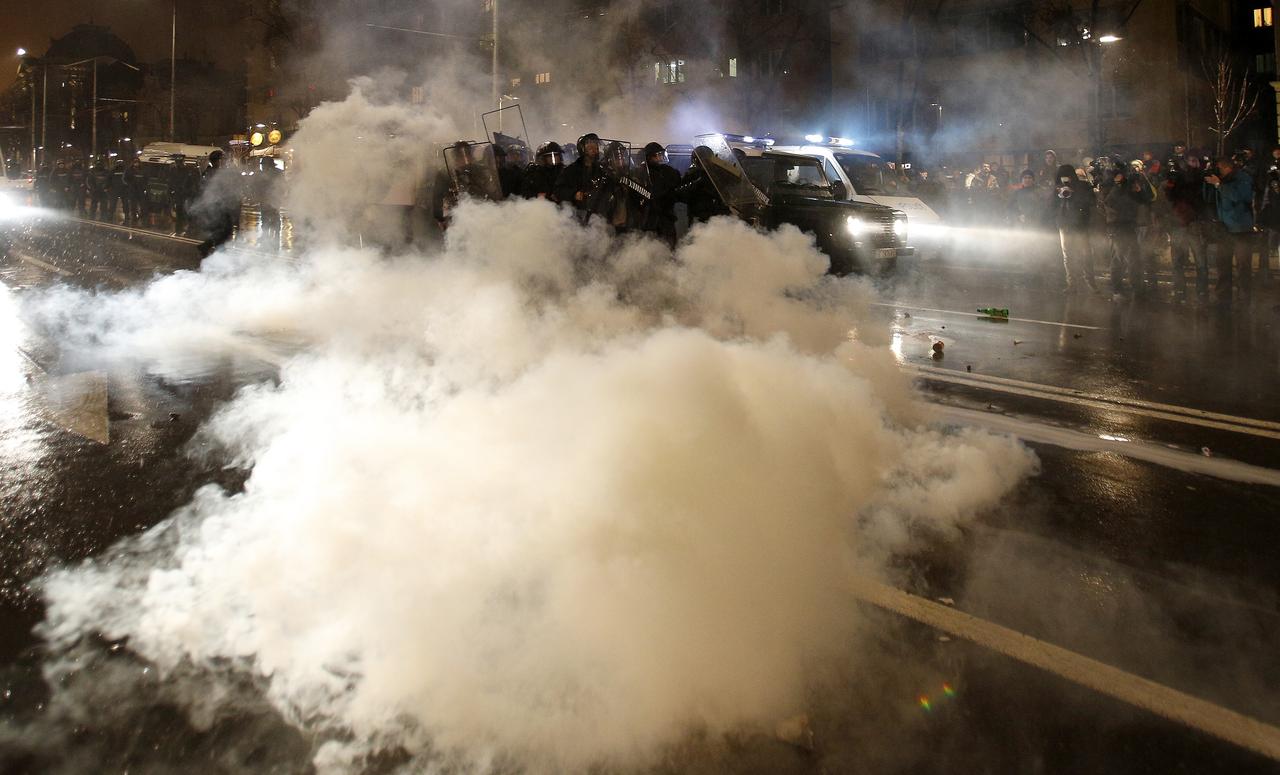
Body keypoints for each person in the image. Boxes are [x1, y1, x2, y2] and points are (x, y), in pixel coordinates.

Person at [1203, 156, 1255, 300]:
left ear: (1227, 167)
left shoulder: (1242, 178)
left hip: (1241, 230)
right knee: (1223, 264)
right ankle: (1223, 297)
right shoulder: (1223, 180)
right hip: (1224, 229)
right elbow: (1208, 199)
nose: (1218, 171)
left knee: (1243, 266)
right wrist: (1208, 183)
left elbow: (1239, 196)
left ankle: (1244, 296)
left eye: (1219, 168)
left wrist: (1219, 184)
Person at [1102, 166, 1154, 298]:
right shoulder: (1112, 188)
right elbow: (1111, 205)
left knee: (1134, 258)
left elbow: (1148, 198)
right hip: (1117, 228)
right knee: (1118, 258)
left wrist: (1139, 189)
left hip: (1130, 226)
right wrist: (1119, 186)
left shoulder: (1129, 188)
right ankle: (1117, 289)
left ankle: (1137, 287)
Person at [1164, 155, 1208, 298]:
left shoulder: (1202, 178)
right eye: (1190, 161)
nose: (1192, 164)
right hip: (1180, 223)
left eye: (1195, 160)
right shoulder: (1178, 178)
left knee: (1199, 261)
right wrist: (1171, 183)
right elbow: (1169, 197)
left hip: (1192, 223)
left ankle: (1198, 291)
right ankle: (1181, 290)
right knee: (1180, 260)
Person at [1049, 164, 1097, 293]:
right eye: (1062, 176)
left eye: (1067, 176)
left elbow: (1091, 201)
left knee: (1086, 253)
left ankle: (1090, 283)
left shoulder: (1082, 186)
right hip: (1064, 224)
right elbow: (1051, 206)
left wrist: (1074, 194)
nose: (1065, 179)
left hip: (1080, 223)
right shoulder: (1057, 188)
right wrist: (1059, 195)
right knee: (1068, 255)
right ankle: (1072, 284)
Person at [554, 133, 607, 223]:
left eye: (596, 148)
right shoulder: (571, 170)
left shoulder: (602, 170)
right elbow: (558, 190)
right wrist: (574, 194)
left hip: (599, 216)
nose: (595, 151)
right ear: (582, 150)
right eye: (591, 148)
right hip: (577, 216)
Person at [676, 145, 730, 224]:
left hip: (718, 214)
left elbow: (728, 192)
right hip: (699, 216)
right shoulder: (692, 174)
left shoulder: (717, 173)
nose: (706, 162)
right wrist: (697, 183)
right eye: (703, 159)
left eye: (707, 159)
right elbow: (680, 194)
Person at [641, 141, 680, 247]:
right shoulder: (642, 172)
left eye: (661, 155)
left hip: (666, 217)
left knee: (669, 248)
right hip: (650, 219)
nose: (660, 158)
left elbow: (677, 185)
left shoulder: (668, 171)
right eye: (658, 155)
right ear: (649, 157)